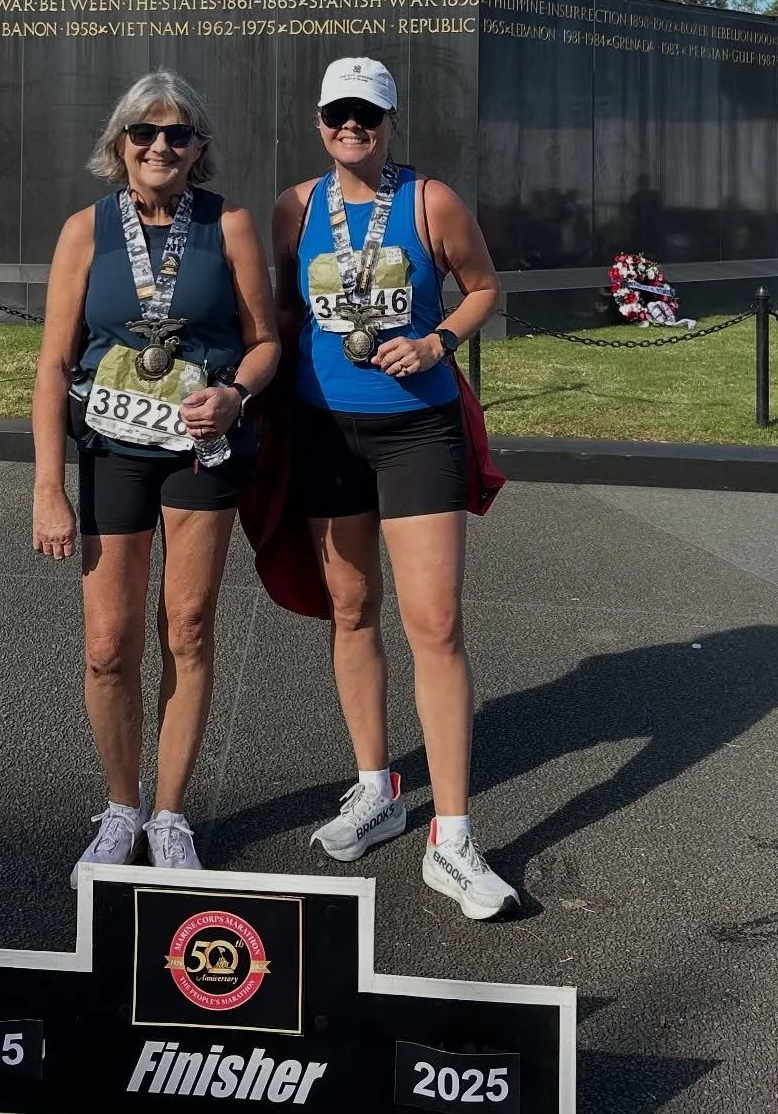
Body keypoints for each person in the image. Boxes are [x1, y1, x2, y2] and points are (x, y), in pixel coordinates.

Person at [270, 57, 512, 919]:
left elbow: (485, 287)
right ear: (320, 120)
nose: (352, 128)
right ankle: (377, 787)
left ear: (391, 122)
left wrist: (439, 340)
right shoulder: (295, 208)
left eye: (367, 116)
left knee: (436, 621)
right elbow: (284, 316)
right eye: (339, 113)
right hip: (326, 429)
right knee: (350, 608)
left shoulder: (428, 201)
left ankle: (452, 836)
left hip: (418, 427)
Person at [32, 71, 279, 876]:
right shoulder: (86, 230)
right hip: (109, 451)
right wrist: (47, 486)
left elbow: (265, 341)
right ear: (119, 144)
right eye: (144, 132)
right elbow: (53, 363)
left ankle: (170, 815)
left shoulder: (230, 223)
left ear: (199, 147)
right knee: (108, 644)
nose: (160, 145)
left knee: (189, 628)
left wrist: (236, 394)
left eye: (177, 133)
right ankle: (119, 807)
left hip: (200, 452)